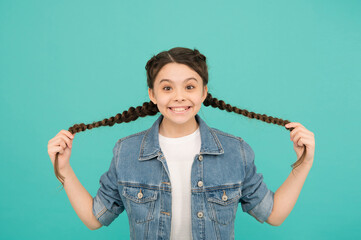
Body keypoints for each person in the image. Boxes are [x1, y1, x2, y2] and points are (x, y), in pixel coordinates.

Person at [47, 47, 315, 240]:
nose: (179, 97)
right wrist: (65, 170)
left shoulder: (236, 152)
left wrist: (302, 165)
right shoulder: (126, 152)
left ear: (204, 92)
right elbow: (95, 218)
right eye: (167, 88)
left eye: (189, 87)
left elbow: (274, 214)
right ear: (152, 94)